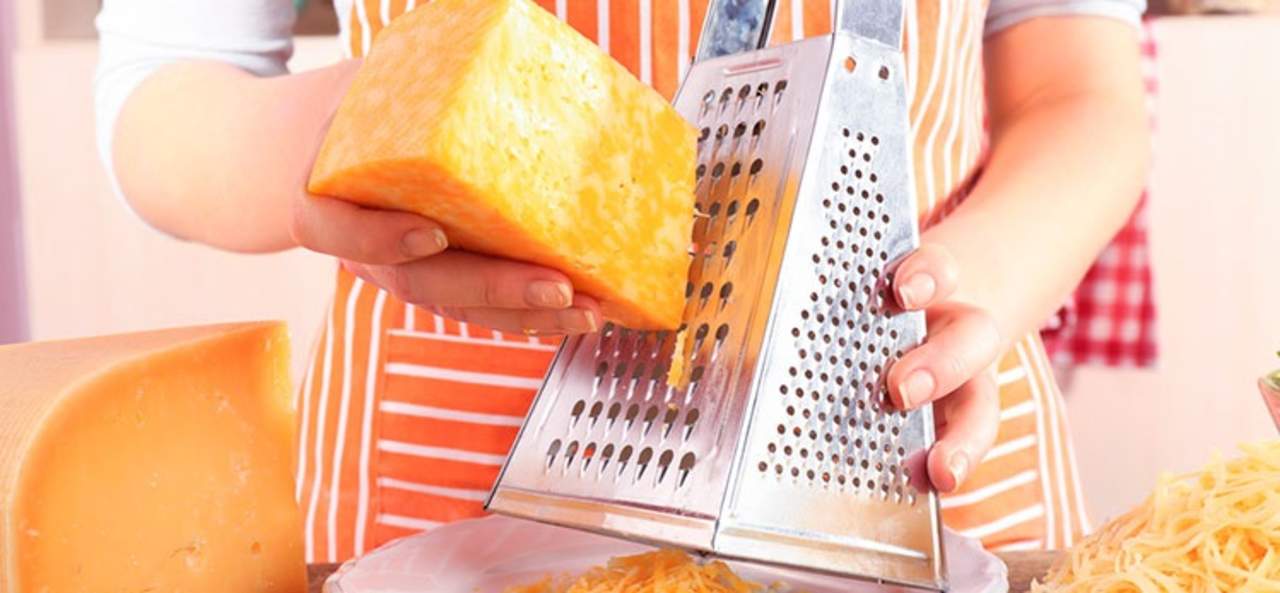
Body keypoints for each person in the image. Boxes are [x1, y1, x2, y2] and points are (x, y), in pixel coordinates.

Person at [94, 0, 1150, 563]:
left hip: (901, 461)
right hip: (428, 510)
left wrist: (974, 282)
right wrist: (355, 129)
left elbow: (1077, 91)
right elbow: (162, 86)